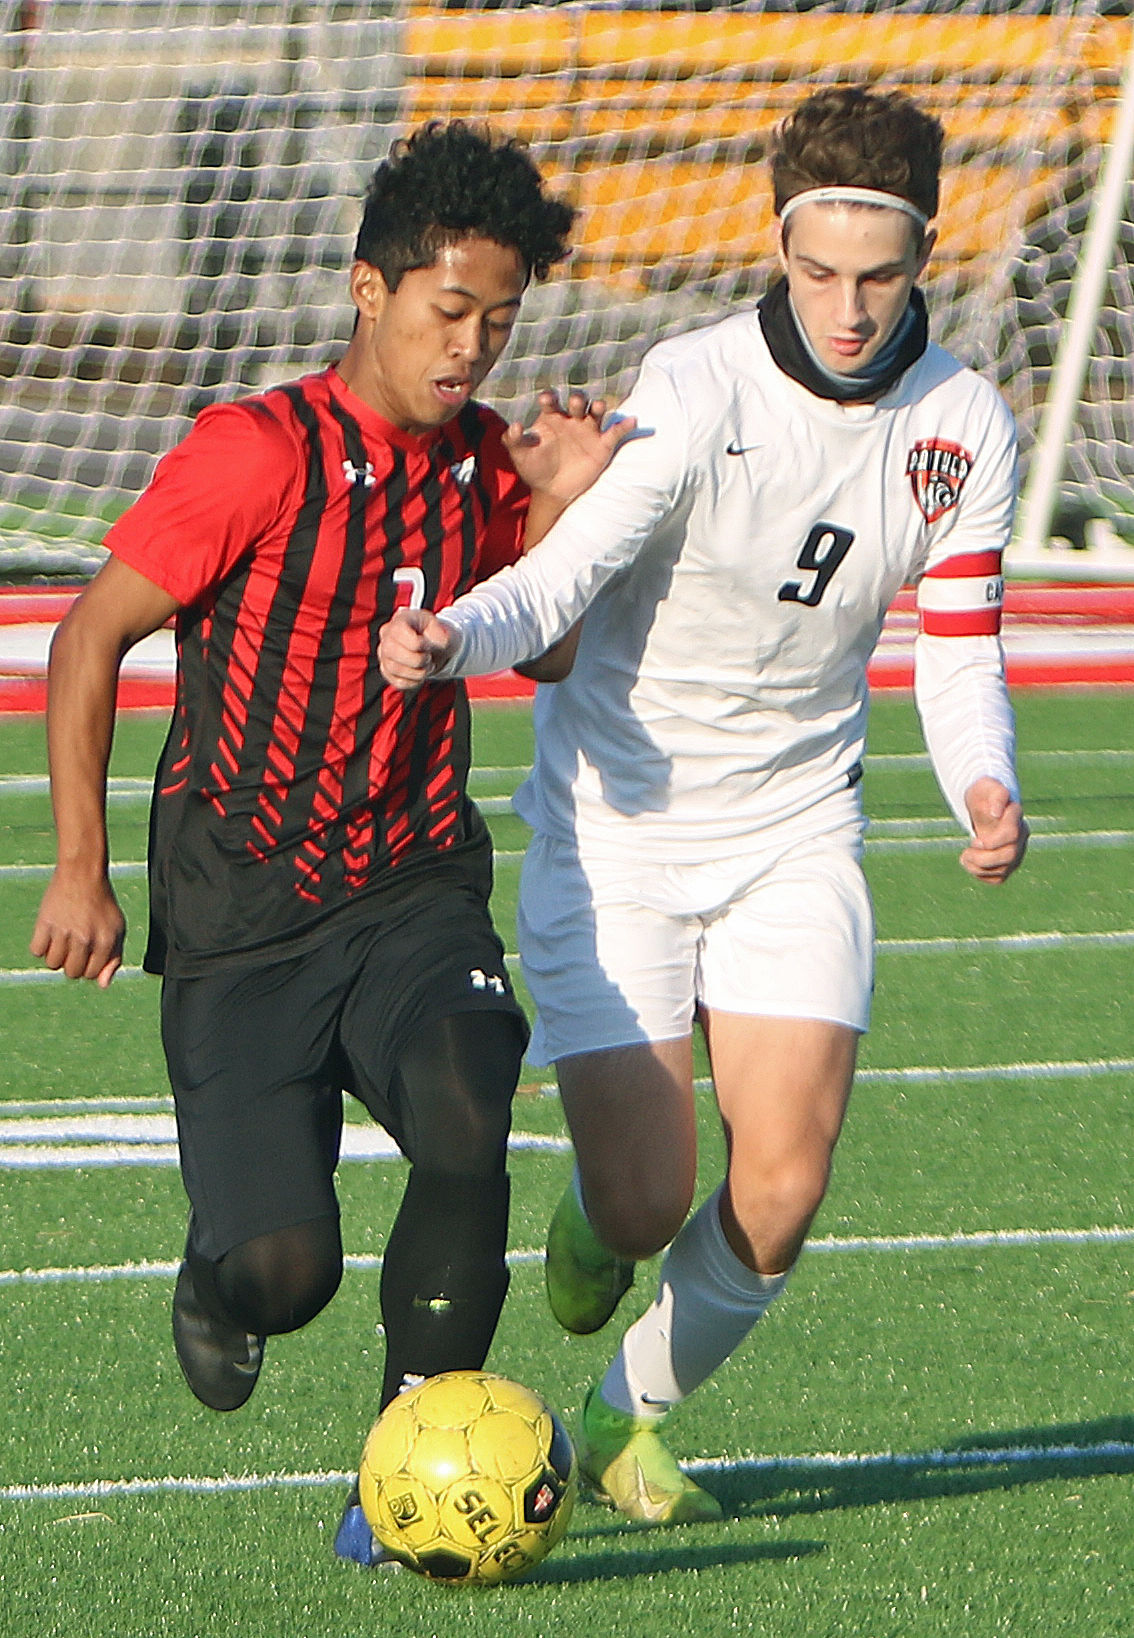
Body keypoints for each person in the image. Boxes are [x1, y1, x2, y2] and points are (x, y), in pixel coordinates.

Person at [377, 87, 1030, 1527]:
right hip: (617, 832)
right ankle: (598, 1219)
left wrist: (984, 778)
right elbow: (561, 577)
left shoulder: (965, 423)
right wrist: (455, 638)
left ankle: (625, 1412)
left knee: (783, 1183)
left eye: (878, 275)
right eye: (817, 272)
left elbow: (960, 641)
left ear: (921, 257)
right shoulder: (693, 383)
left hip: (797, 827)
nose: (847, 308)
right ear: (777, 247)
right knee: (641, 1199)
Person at [29, 121, 632, 1564]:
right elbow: (89, 633)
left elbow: (540, 661)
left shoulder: (485, 465)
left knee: (474, 1094)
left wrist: (559, 502)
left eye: (498, 318)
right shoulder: (254, 453)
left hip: (415, 880)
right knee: (283, 1270)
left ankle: (404, 1455)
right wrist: (76, 863)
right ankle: (222, 1268)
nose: (473, 345)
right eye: (448, 310)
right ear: (369, 292)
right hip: (242, 903)